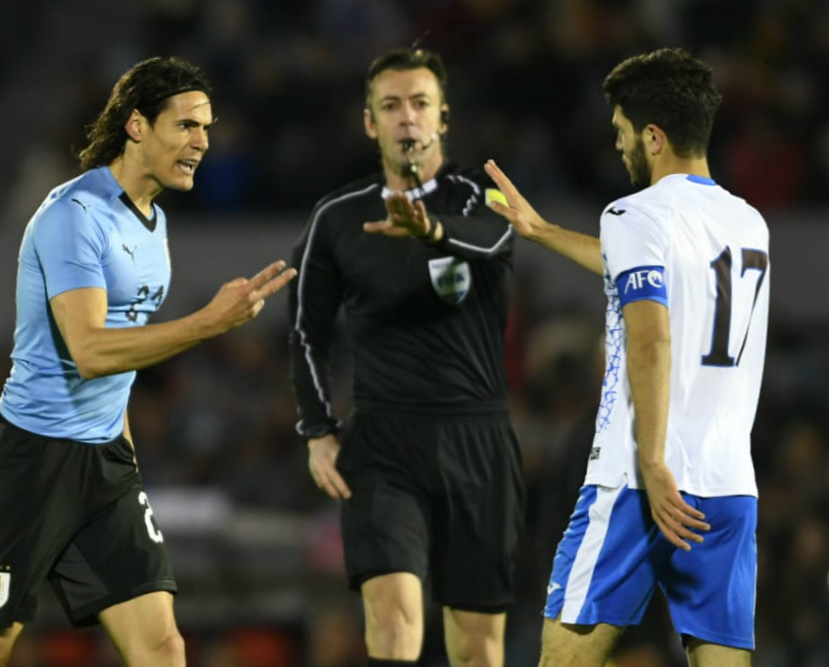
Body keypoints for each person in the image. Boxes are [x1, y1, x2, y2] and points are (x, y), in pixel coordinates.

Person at [0, 56, 296, 667]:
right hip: (32, 462)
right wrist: (209, 322)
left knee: (161, 645)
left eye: (207, 127)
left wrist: (122, 455)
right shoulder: (73, 216)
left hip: (106, 466)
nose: (203, 142)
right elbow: (91, 350)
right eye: (185, 126)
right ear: (136, 126)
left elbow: (120, 364)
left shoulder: (154, 226)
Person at [484, 48, 769, 667]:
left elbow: (650, 337)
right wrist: (545, 232)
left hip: (637, 485)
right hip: (726, 488)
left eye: (620, 133)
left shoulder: (633, 214)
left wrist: (652, 459)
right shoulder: (749, 223)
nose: (617, 146)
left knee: (561, 659)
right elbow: (653, 271)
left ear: (653, 136)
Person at [288, 47, 524, 667]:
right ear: (371, 123)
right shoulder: (337, 218)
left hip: (478, 439)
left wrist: (432, 231)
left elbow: (502, 236)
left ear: (443, 118)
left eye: (420, 104)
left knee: (478, 646)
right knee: (392, 626)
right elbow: (307, 331)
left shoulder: (482, 197)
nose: (406, 118)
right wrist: (317, 430)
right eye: (390, 106)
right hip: (385, 444)